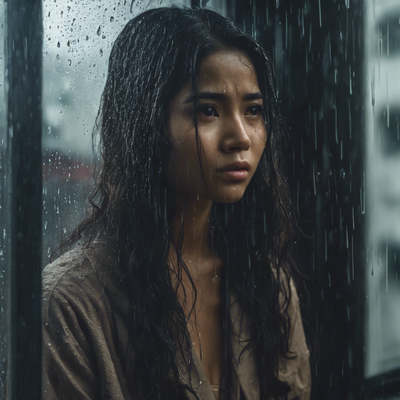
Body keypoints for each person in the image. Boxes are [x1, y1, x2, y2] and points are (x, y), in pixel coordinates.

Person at [42, 6, 311, 400]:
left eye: (253, 110)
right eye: (208, 110)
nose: (242, 137)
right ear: (147, 125)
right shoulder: (70, 306)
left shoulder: (267, 282)